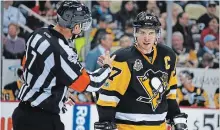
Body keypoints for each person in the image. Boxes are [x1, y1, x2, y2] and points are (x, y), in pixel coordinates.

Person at [12, 1, 115, 130]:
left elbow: (29, 67)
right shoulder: (62, 50)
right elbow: (88, 83)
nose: (82, 29)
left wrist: (59, 93)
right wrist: (107, 67)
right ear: (76, 26)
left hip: (22, 113)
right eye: (82, 24)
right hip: (42, 120)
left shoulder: (37, 33)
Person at [94, 12, 188, 130]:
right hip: (127, 127)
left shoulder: (168, 56)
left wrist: (176, 116)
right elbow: (108, 97)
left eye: (151, 33)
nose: (147, 38)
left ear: (157, 35)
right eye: (142, 32)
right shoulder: (123, 58)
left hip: (160, 127)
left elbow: (170, 94)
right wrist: (106, 121)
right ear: (135, 33)